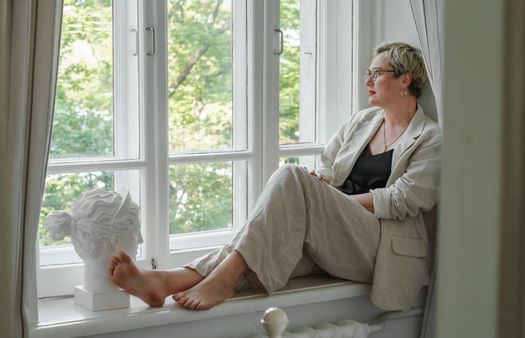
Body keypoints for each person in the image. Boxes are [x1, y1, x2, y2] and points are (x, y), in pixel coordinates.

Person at [109, 42, 441, 311]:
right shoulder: (363, 121)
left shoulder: (430, 137)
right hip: (337, 233)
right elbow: (329, 163)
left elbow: (403, 200)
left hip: (380, 246)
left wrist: (332, 202)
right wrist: (322, 183)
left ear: (404, 80)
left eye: (376, 73)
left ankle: (215, 280)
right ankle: (165, 282)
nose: (367, 80)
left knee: (291, 175)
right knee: (260, 246)